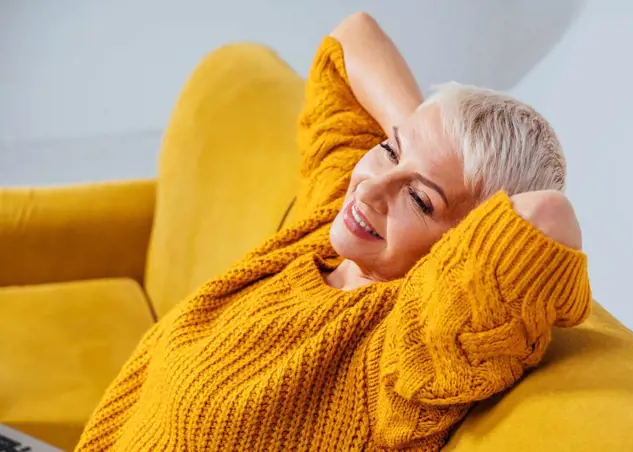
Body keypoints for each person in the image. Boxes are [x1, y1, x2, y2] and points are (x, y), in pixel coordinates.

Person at [76, 12, 591, 451]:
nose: (369, 190)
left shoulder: (409, 349)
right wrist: (418, 140)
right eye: (388, 150)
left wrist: (431, 173)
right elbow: (352, 36)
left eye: (418, 199)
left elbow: (547, 216)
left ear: (461, 246)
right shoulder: (328, 225)